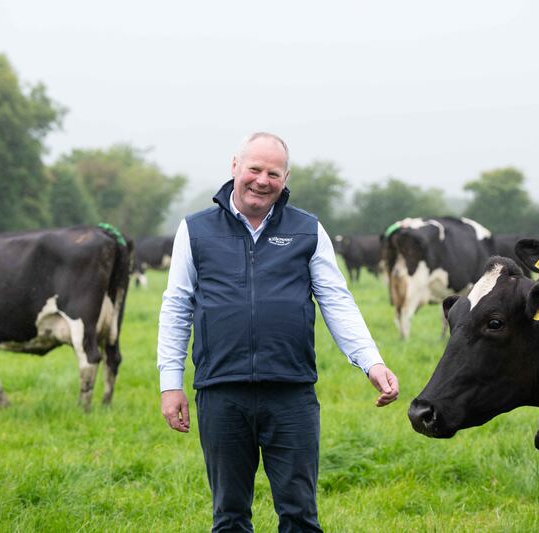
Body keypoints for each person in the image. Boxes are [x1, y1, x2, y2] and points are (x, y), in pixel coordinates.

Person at [158, 132, 399, 532]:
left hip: (291, 394)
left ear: (285, 178)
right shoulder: (196, 230)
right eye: (254, 169)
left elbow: (336, 301)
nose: (262, 180)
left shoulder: (307, 229)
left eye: (273, 173)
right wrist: (170, 383)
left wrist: (371, 362)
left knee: (299, 514)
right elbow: (176, 306)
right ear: (234, 167)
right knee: (230, 516)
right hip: (221, 391)